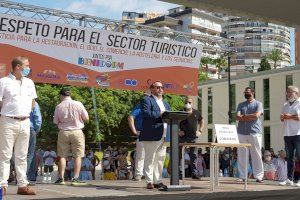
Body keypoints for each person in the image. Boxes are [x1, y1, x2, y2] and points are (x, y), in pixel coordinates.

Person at [0, 56, 37, 195]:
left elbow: (33, 102)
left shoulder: (29, 82)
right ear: (17, 67)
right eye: (26, 66)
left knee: (22, 155)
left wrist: (24, 112)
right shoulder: (3, 82)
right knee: (5, 154)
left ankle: (22, 185)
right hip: (8, 120)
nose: (29, 68)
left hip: (25, 121)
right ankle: (2, 185)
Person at [53, 88, 89, 186]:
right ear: (70, 95)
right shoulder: (79, 104)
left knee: (62, 156)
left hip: (63, 132)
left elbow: (56, 122)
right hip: (77, 131)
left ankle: (61, 178)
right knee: (78, 155)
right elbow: (86, 118)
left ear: (61, 95)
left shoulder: (59, 106)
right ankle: (75, 178)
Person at [140, 81, 170, 190]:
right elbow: (146, 114)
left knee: (160, 158)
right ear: (152, 89)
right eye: (158, 87)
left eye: (162, 87)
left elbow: (170, 116)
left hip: (164, 134)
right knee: (150, 158)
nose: (160, 89)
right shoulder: (146, 100)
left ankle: (158, 180)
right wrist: (161, 114)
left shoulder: (166, 103)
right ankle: (149, 181)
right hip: (151, 133)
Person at [236, 87, 264, 183]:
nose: (246, 94)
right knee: (242, 155)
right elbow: (237, 117)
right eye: (245, 93)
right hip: (241, 132)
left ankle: (259, 176)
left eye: (247, 92)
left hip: (255, 132)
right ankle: (243, 176)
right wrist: (250, 117)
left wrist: (244, 117)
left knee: (256, 154)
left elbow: (257, 115)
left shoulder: (258, 104)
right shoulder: (241, 104)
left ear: (252, 93)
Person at [179, 97, 204, 179]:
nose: (188, 103)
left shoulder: (196, 112)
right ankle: (179, 173)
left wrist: (200, 130)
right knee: (180, 155)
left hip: (193, 137)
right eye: (186, 102)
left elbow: (202, 121)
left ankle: (194, 173)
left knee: (194, 155)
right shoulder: (180, 112)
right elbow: (173, 122)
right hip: (183, 137)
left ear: (192, 103)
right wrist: (178, 131)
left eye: (189, 102)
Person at [280, 85, 300, 186]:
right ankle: (289, 179)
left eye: (289, 92)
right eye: (287, 92)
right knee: (289, 157)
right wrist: (283, 117)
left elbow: (299, 117)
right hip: (287, 134)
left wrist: (288, 116)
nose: (287, 93)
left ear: (296, 93)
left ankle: (299, 180)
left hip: (298, 134)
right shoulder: (285, 104)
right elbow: (282, 117)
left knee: (299, 156)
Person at [128, 92, 150, 181]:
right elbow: (130, 117)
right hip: (142, 132)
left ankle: (146, 174)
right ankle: (139, 174)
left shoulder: (153, 106)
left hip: (152, 133)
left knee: (150, 155)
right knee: (141, 154)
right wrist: (134, 130)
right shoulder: (140, 105)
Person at [27, 101, 42, 184]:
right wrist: (36, 130)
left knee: (20, 154)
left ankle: (19, 176)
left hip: (15, 128)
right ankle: (30, 176)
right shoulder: (33, 102)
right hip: (30, 128)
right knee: (30, 154)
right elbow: (37, 118)